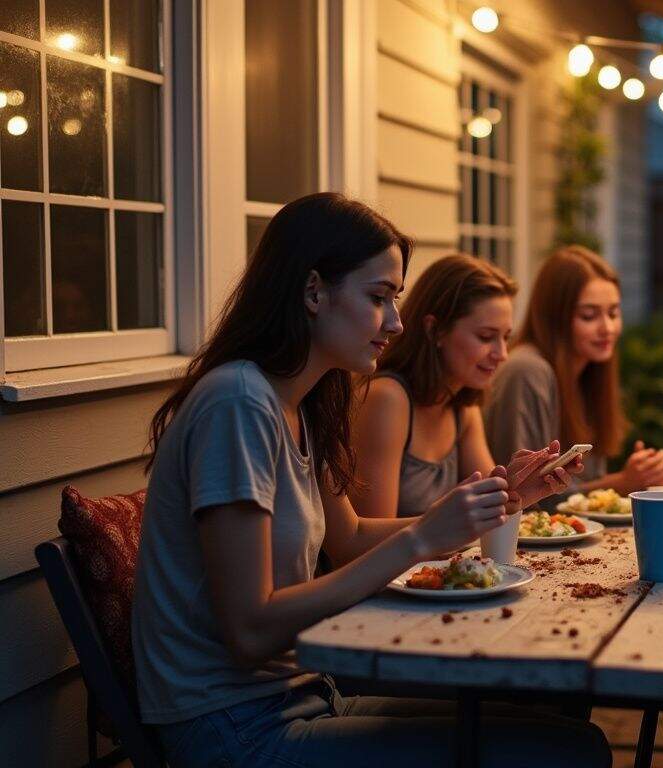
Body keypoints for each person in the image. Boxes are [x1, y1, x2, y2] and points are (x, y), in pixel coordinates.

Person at [132, 193, 608, 767]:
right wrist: (422, 538)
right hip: (236, 729)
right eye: (379, 297)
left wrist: (506, 502)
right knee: (567, 753)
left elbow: (352, 538)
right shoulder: (238, 403)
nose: (397, 322)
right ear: (313, 292)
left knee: (561, 719)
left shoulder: (303, 403)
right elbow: (250, 632)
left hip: (306, 694)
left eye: (397, 299)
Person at [350, 253, 565, 519]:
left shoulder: (461, 405)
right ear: (435, 330)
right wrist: (450, 522)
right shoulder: (387, 398)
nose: (502, 354)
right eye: (486, 337)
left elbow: (492, 513)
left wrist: (519, 489)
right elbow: (367, 541)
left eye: (506, 337)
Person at [484, 245, 663, 499]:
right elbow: (522, 496)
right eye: (589, 316)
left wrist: (641, 474)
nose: (607, 328)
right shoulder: (527, 370)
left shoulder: (589, 370)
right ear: (555, 318)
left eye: (613, 313)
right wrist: (620, 484)